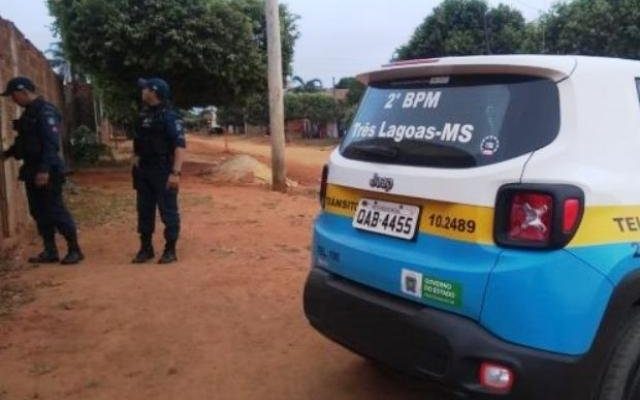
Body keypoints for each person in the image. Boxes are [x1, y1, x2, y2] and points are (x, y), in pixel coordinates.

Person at [0, 77, 84, 265]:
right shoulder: (29, 113)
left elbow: (50, 144)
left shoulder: (45, 112)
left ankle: (74, 249)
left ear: (23, 92)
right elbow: (25, 142)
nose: (13, 100)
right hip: (32, 169)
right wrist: (7, 153)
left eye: (14, 96)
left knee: (55, 210)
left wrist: (44, 170)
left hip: (48, 171)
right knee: (39, 212)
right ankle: (50, 250)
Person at [132, 78, 185, 264]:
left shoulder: (170, 117)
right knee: (144, 210)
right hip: (144, 171)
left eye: (145, 88)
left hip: (163, 170)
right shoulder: (143, 115)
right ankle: (146, 248)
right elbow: (138, 145)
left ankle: (170, 250)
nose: (142, 91)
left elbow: (179, 147)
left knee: (168, 211)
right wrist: (136, 162)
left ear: (153, 92)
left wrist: (175, 173)